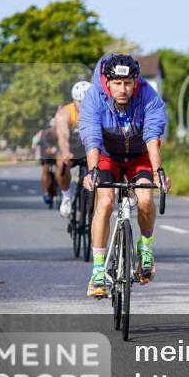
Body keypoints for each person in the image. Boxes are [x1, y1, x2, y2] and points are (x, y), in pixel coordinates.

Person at [80, 53, 170, 297]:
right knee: (106, 201)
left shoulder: (149, 97)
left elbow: (152, 136)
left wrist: (157, 172)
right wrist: (93, 171)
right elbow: (92, 138)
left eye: (128, 83)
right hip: (108, 156)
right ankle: (98, 269)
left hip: (139, 156)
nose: (123, 89)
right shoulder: (94, 99)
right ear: (107, 82)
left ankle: (146, 247)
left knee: (144, 197)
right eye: (117, 83)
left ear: (136, 82)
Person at [54, 80, 92, 217]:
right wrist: (65, 152)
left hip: (90, 148)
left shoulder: (99, 109)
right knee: (61, 165)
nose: (83, 106)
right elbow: (63, 136)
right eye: (80, 102)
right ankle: (67, 195)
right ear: (74, 100)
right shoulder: (65, 113)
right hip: (72, 147)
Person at [38, 119, 59, 205]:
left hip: (56, 151)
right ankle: (46, 193)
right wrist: (50, 148)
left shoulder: (62, 132)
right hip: (46, 150)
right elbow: (44, 142)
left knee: (61, 166)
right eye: (54, 128)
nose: (56, 130)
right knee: (46, 169)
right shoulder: (45, 133)